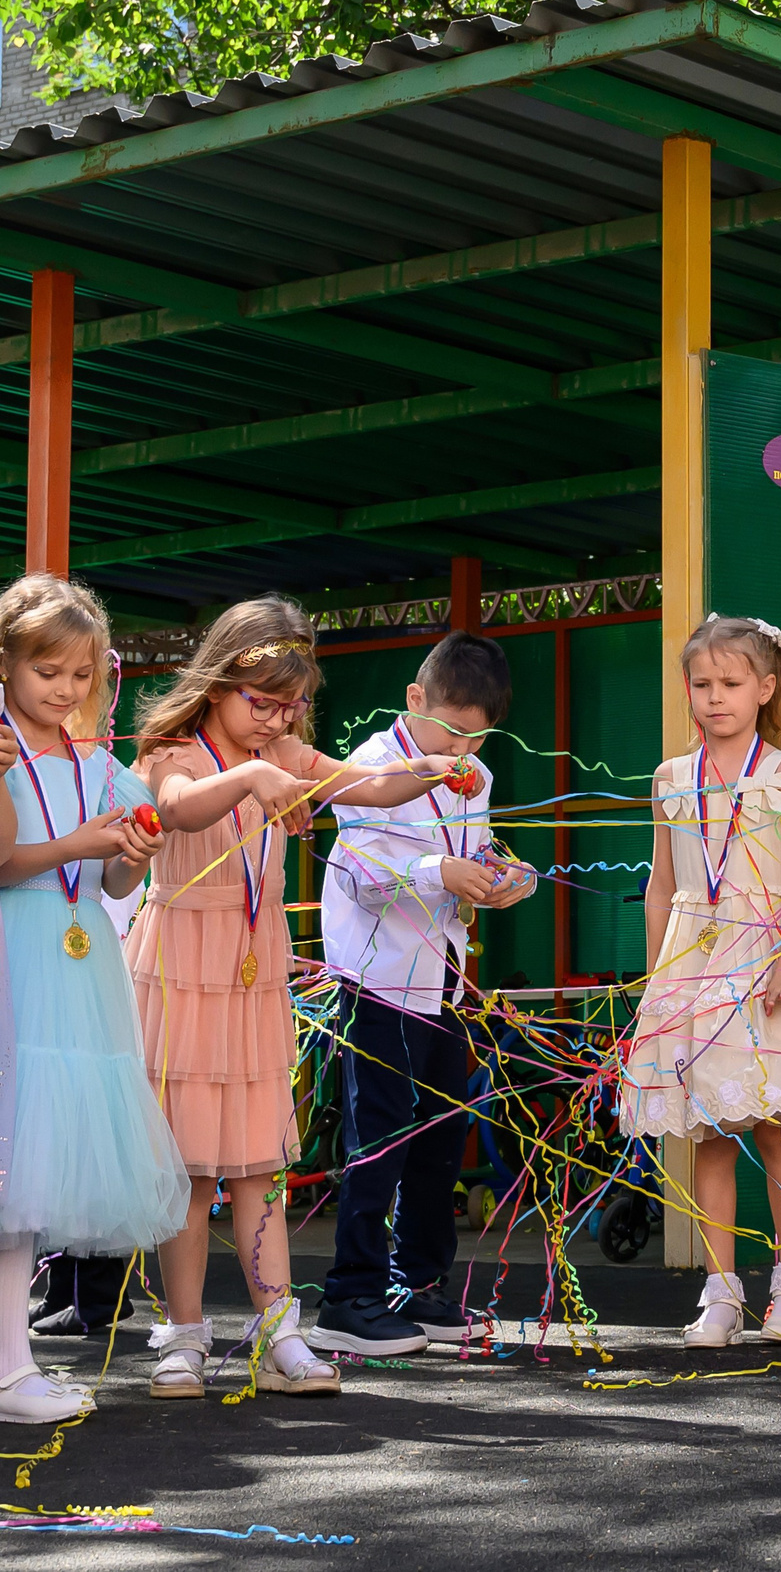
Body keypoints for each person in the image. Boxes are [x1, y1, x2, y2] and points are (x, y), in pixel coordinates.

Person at [130, 596, 472, 1400]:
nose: (276, 720)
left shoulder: (283, 749)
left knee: (257, 1163)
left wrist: (427, 768)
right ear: (217, 683)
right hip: (184, 969)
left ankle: (278, 1329)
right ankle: (182, 1335)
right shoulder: (174, 753)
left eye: (291, 707)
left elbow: (368, 787)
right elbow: (176, 810)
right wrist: (254, 774)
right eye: (263, 702)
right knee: (185, 1167)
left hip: (253, 968)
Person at [619, 614, 781, 1347]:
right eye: (701, 684)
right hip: (692, 967)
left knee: (774, 1126)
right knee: (705, 1129)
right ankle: (720, 1293)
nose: (715, 697)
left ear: (765, 688)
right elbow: (661, 884)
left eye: (731, 683)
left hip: (766, 960)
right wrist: (657, 987)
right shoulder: (671, 777)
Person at [309, 633, 538, 1359]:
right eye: (453, 728)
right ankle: (351, 1294)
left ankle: (417, 1281)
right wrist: (444, 871)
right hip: (375, 980)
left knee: (441, 1133)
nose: (464, 747)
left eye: (480, 735)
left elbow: (474, 852)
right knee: (377, 1136)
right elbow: (361, 873)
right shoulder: (370, 768)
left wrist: (504, 877)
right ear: (415, 700)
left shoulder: (479, 775)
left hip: (442, 978)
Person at [0, 574, 186, 1423]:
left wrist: (130, 854)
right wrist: (84, 840)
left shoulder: (95, 763)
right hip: (17, 958)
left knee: (27, 1182)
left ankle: (14, 1362)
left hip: (76, 965)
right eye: (47, 671)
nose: (65, 691)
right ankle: (10, 1368)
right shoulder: (2, 750)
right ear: (6, 664)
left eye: (80, 676)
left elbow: (110, 876)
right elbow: (4, 863)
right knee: (12, 1162)